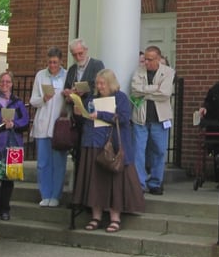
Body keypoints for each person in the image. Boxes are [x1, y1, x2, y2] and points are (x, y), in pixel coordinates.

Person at [72, 68, 145, 232]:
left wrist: (101, 114)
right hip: (93, 143)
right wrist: (79, 112)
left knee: (114, 183)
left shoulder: (120, 98)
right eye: (97, 83)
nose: (99, 86)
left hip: (113, 146)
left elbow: (124, 118)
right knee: (95, 182)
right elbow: (86, 118)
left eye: (102, 83)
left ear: (110, 83)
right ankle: (96, 216)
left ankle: (115, 218)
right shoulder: (92, 97)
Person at [0, 71, 30, 221]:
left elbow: (26, 121)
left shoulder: (18, 102)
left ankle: (5, 209)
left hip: (13, 145)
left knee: (9, 179)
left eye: (8, 82)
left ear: (12, 84)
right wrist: (1, 124)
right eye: (2, 81)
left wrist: (13, 124)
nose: (4, 84)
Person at [130, 45, 175, 195]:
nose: (146, 63)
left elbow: (165, 93)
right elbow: (134, 91)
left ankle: (156, 182)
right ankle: (139, 183)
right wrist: (154, 89)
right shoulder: (139, 71)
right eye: (145, 60)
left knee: (159, 151)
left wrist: (145, 92)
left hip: (160, 118)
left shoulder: (168, 72)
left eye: (150, 60)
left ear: (158, 59)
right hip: (140, 117)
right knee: (138, 151)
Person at [30, 47, 69, 208]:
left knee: (58, 163)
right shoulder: (40, 75)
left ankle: (55, 195)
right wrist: (43, 99)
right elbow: (33, 100)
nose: (52, 65)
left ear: (60, 61)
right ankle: (45, 194)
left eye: (55, 62)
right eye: (50, 62)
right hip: (42, 124)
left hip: (59, 126)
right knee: (43, 163)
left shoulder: (66, 75)